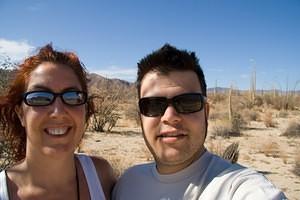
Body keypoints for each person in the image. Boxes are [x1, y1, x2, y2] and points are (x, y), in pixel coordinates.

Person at [112, 44, 287, 200]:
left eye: (187, 102)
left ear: (206, 112)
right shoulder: (127, 183)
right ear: (140, 117)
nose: (170, 116)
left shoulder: (239, 188)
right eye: (153, 105)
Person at [0, 44, 115, 199]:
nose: (58, 112)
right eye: (39, 97)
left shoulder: (101, 175)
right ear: (20, 114)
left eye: (73, 96)